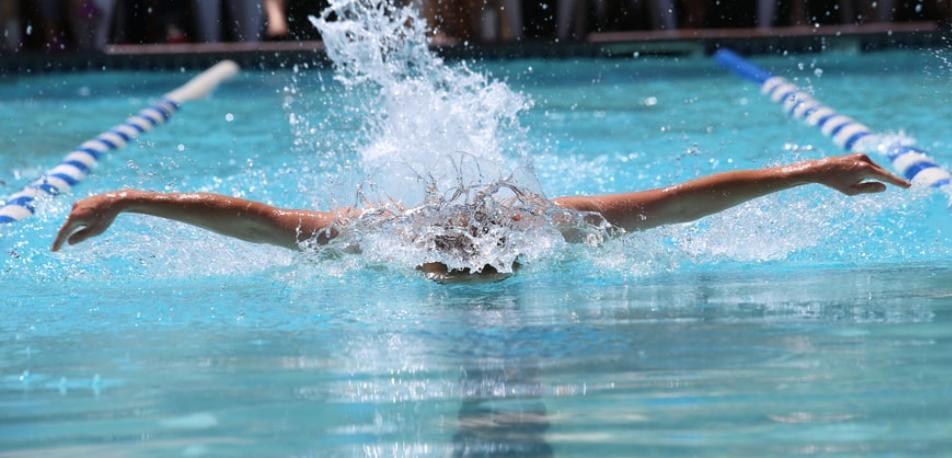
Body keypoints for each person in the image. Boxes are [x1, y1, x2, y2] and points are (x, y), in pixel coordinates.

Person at [52, 153, 910, 279]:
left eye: (482, 252)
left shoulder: (551, 225)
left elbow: (686, 202)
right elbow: (254, 217)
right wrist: (124, 197)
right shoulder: (375, 234)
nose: (473, 266)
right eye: (455, 254)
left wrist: (811, 173)